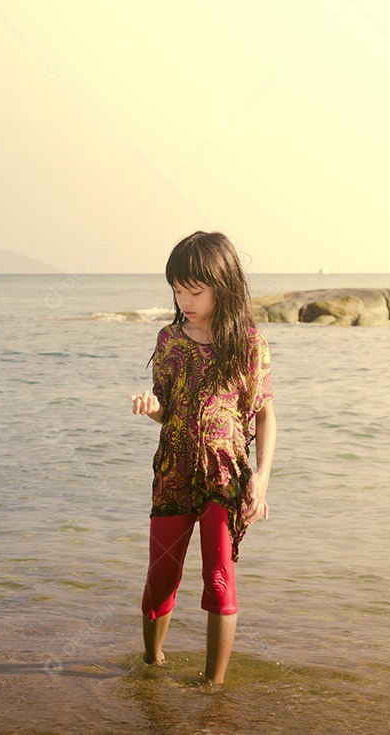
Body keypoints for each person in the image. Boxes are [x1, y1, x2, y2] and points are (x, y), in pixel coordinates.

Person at [130, 231, 276, 686]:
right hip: (173, 474)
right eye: (177, 289)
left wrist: (264, 479)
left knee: (218, 580)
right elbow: (168, 412)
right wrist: (154, 410)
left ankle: (213, 689)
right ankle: (152, 669)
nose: (184, 300)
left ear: (223, 285)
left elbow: (266, 414)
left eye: (195, 291)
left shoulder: (248, 343)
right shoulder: (169, 341)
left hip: (225, 478)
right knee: (161, 581)